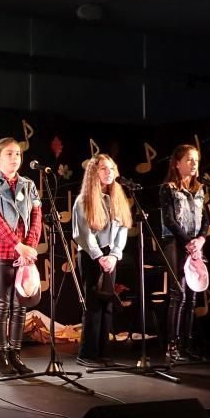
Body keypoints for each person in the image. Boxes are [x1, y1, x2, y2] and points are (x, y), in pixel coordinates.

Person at [0, 138, 42, 376]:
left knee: (20, 306)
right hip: (1, 250)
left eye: (17, 154)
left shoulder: (28, 184)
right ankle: (2, 358)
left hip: (25, 253)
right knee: (2, 304)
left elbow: (36, 217)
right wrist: (18, 246)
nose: (15, 158)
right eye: (9, 154)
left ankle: (15, 356)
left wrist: (30, 248)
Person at [72, 154, 132, 367]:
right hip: (91, 255)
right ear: (93, 173)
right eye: (103, 169)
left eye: (111, 168)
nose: (109, 172)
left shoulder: (118, 197)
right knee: (94, 305)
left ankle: (104, 352)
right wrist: (99, 256)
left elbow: (123, 228)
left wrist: (114, 254)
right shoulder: (83, 200)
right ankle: (87, 354)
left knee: (107, 303)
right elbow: (83, 234)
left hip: (110, 256)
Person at [158, 144, 210, 362]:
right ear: (177, 164)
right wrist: (188, 242)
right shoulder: (168, 189)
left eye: (196, 160)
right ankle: (172, 346)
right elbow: (169, 220)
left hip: (194, 244)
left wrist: (201, 239)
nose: (194, 163)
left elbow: (206, 219)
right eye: (189, 159)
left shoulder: (200, 189)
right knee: (178, 293)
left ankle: (187, 345)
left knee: (192, 295)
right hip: (174, 242)